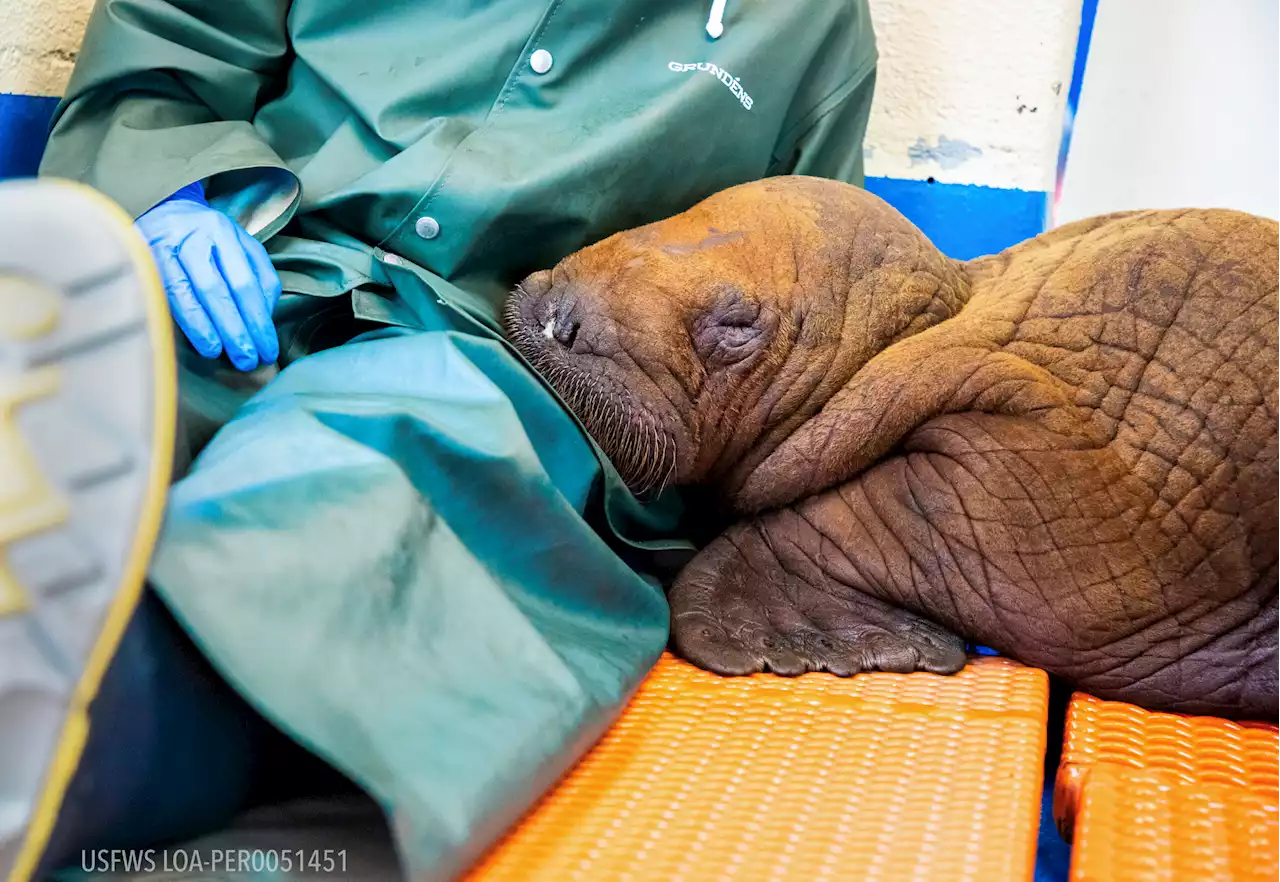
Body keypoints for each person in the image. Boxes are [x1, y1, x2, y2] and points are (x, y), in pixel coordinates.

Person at [1, 1, 878, 878]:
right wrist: (169, 195)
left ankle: (109, 734)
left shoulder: (806, 28)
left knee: (364, 458)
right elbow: (177, 39)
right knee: (90, 371)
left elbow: (817, 309)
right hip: (257, 263)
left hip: (514, 359)